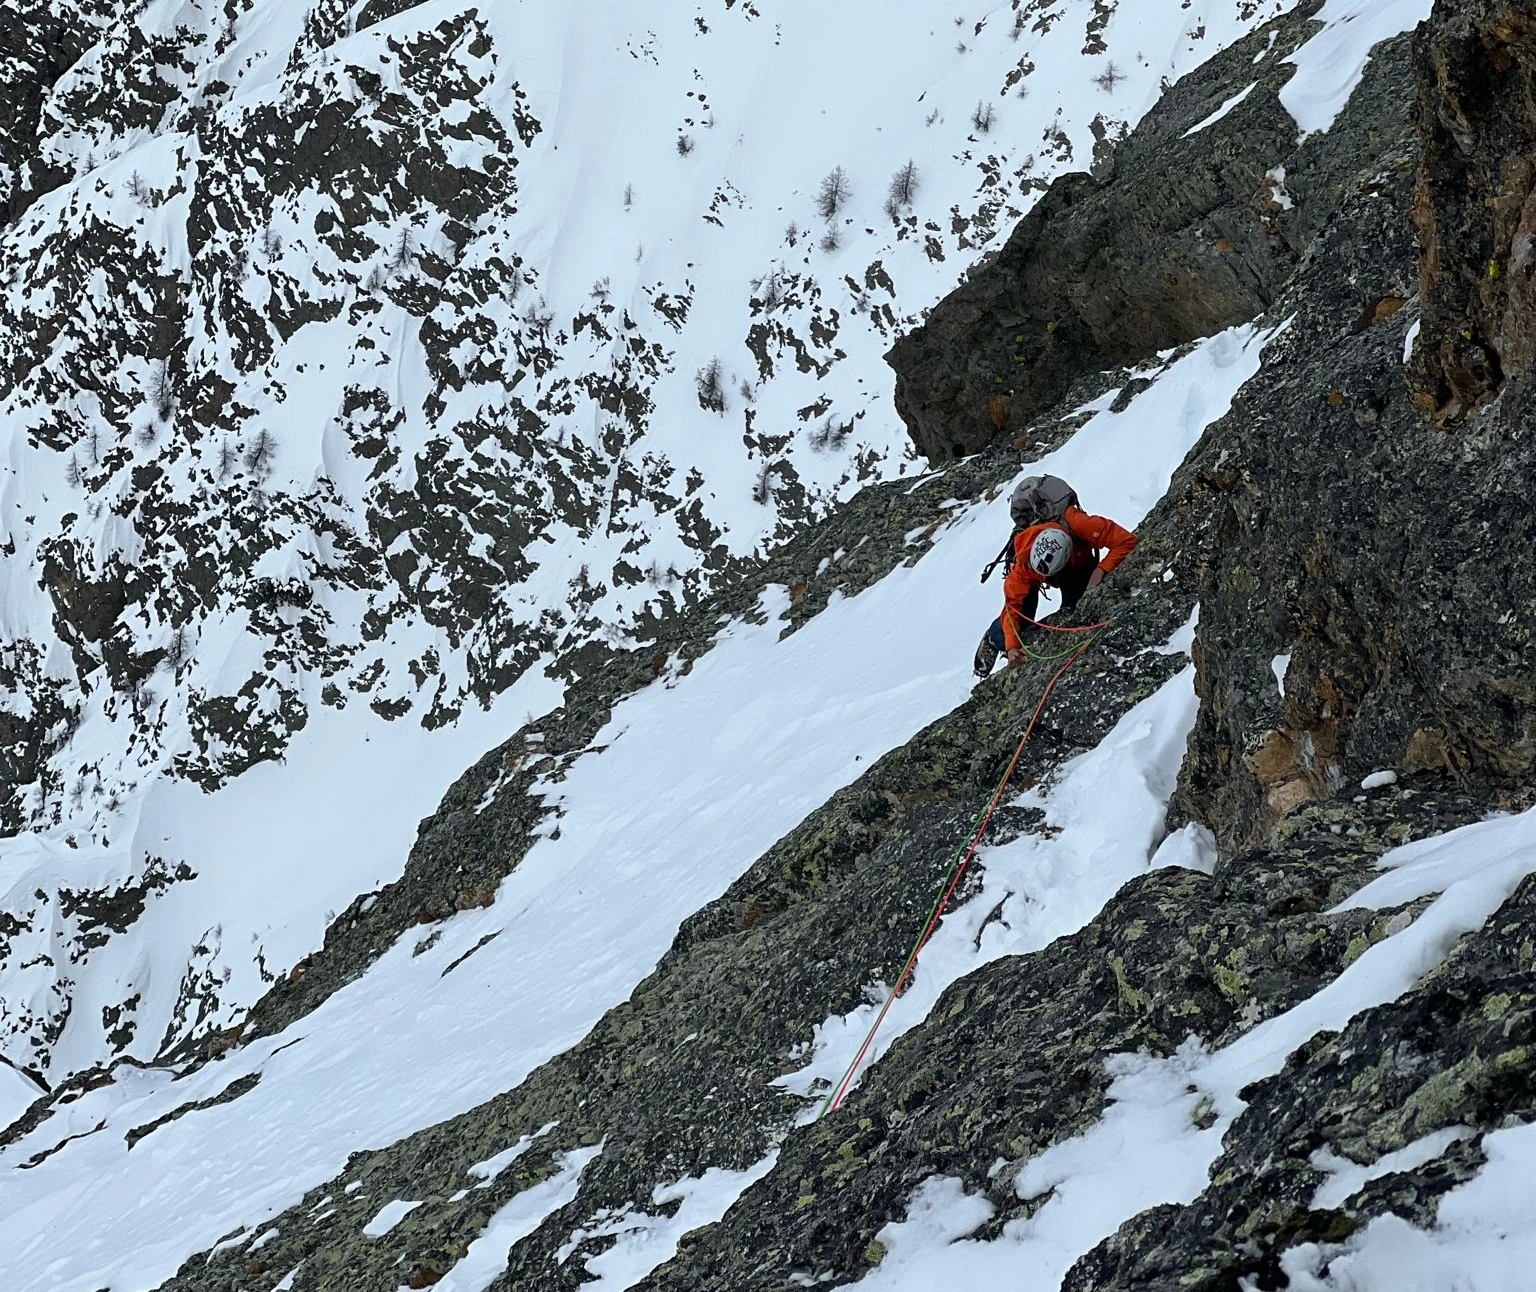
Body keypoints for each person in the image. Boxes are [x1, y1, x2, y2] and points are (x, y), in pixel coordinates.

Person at [973, 504, 1137, 677]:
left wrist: (1101, 570)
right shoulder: (1023, 564)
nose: (1051, 584)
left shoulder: (1079, 524)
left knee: (1071, 612)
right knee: (1021, 621)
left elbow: (1126, 540)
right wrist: (1012, 646)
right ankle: (994, 637)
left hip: (1079, 565)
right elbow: (1013, 606)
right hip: (1044, 573)